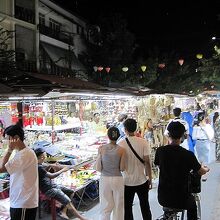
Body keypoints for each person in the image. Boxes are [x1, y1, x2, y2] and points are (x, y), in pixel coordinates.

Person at [154, 121, 210, 220]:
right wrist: (206, 169)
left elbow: (158, 165)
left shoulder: (160, 151)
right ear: (183, 136)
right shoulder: (188, 155)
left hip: (163, 197)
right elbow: (200, 171)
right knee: (192, 207)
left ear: (168, 135)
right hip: (182, 198)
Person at [34, 148, 88, 220]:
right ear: (42, 157)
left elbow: (43, 174)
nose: (46, 157)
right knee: (68, 202)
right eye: (45, 155)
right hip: (48, 189)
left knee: (71, 192)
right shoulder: (38, 166)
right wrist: (62, 170)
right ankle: (83, 219)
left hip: (52, 185)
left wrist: (50, 167)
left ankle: (63, 212)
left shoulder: (40, 164)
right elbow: (51, 176)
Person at [0, 124, 38, 220]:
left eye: (7, 139)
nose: (6, 142)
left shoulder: (24, 155)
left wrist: (9, 150)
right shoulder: (22, 153)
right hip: (21, 201)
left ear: (16, 138)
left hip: (23, 203)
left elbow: (2, 168)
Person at [118, 118, 152, 220]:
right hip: (141, 180)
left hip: (126, 182)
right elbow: (147, 162)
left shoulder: (120, 144)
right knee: (145, 206)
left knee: (127, 208)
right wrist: (149, 178)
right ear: (136, 128)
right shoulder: (143, 142)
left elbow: (120, 166)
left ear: (125, 129)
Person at [95, 126, 126, 220]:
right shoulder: (122, 150)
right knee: (118, 205)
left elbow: (99, 167)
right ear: (118, 136)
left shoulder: (101, 148)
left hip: (104, 178)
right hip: (117, 179)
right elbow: (122, 168)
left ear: (108, 136)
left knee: (105, 206)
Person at [192, 112, 214, 181]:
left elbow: (210, 136)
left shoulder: (208, 126)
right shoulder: (196, 127)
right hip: (199, 142)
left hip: (205, 142)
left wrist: (203, 128)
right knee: (201, 159)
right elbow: (194, 137)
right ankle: (203, 174)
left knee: (205, 159)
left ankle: (203, 173)